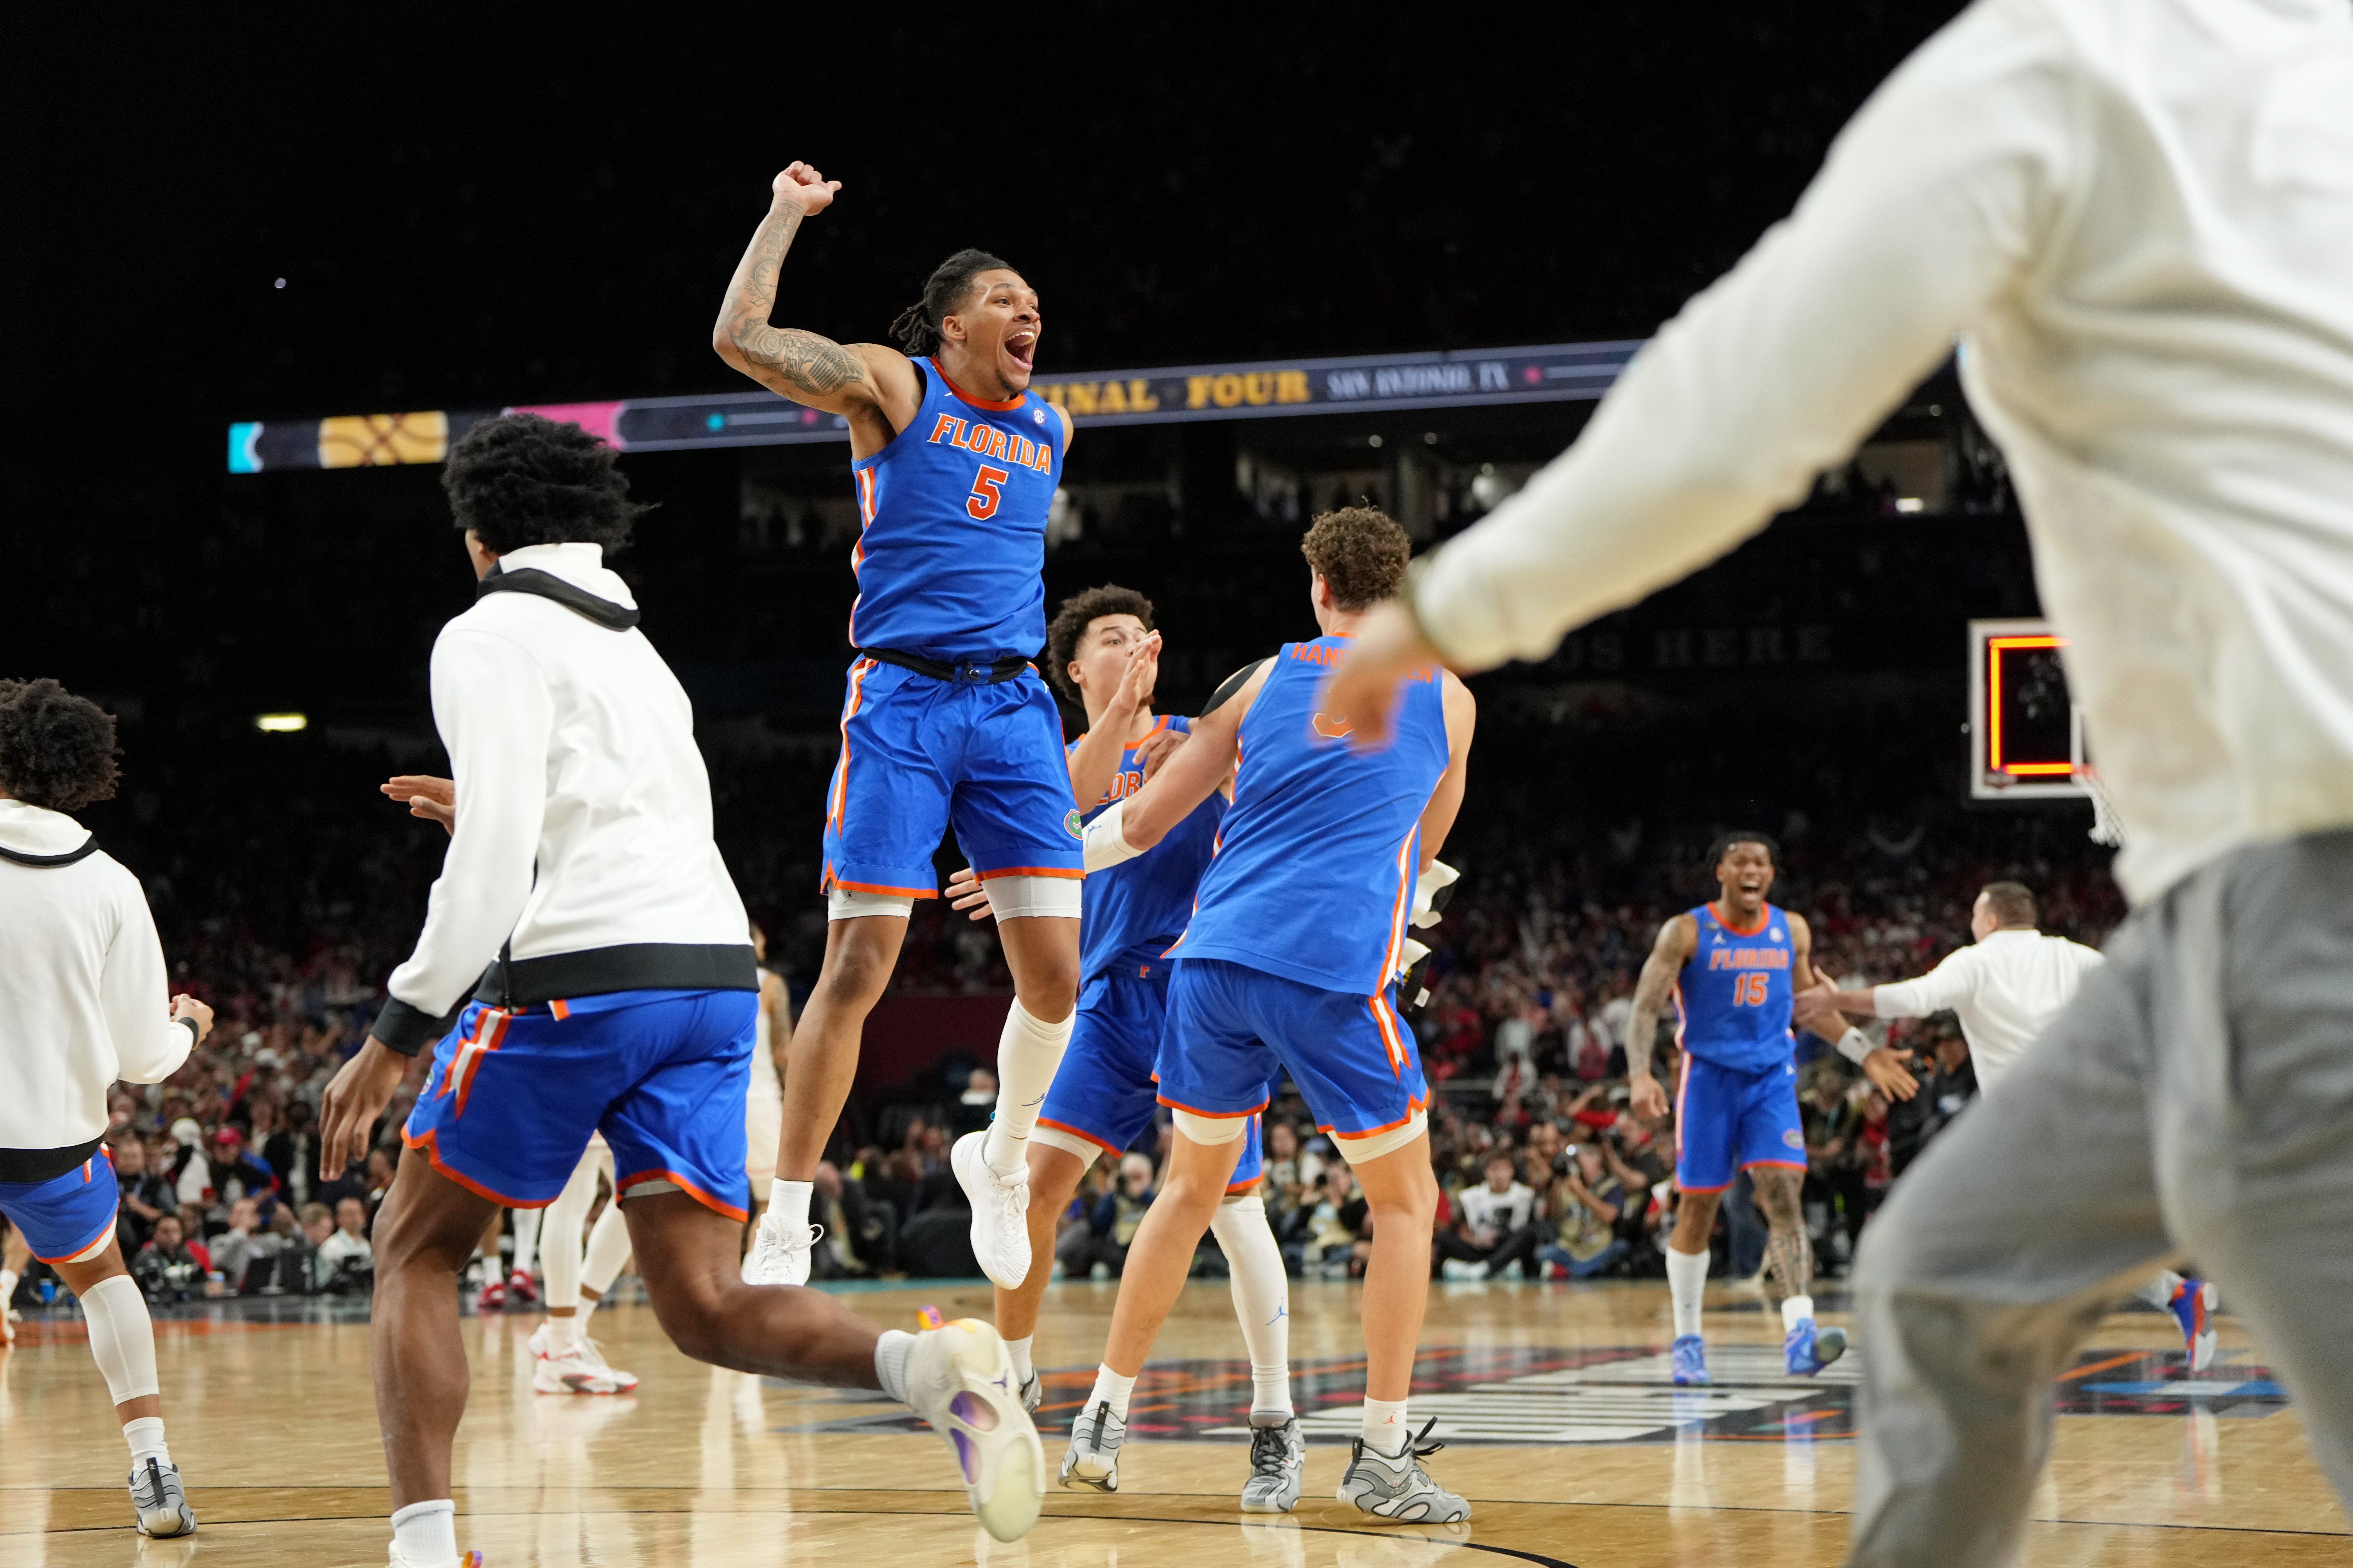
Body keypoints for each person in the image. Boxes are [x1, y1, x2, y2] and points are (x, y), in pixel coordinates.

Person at [1323, 4, 2353, 1555]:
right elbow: (1792, 1004)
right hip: (2211, 915)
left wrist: (1450, 612)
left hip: (2302, 871)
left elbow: (1734, 402)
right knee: (1945, 1274)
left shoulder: (2053, 63)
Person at [315, 413, 1044, 1567]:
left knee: (416, 1247)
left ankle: (424, 1546)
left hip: (581, 981)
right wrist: (521, 814)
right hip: (710, 982)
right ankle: (928, 1369)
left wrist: (394, 1034)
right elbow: (608, 818)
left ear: (475, 535)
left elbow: (495, 865)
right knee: (704, 1308)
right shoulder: (637, 652)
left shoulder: (489, 630)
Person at [1057, 509, 1478, 1523]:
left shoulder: (1257, 683)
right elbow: (1422, 854)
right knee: (1406, 1203)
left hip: (1208, 966)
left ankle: (1100, 1418)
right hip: (1328, 971)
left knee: (1187, 1190)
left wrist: (1031, 866)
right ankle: (1380, 1453)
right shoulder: (1450, 698)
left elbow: (1145, 820)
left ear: (1319, 591)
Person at [712, 162, 1083, 1294]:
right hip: (905, 701)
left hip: (1015, 703)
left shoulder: (1053, 428)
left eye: (1035, 301)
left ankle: (1001, 1163)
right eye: (1008, 300)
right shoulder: (894, 386)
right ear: (957, 320)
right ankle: (785, 1213)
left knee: (1058, 981)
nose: (1030, 313)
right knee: (861, 961)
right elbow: (740, 335)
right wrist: (784, 213)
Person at [941, 581, 1304, 1506]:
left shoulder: (1199, 735)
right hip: (1104, 1008)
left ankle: (1274, 1420)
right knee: (1025, 1186)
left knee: (1235, 1215)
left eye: (1145, 632)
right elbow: (1069, 807)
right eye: (1113, 637)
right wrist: (1113, 719)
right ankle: (1016, 1382)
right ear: (1074, 669)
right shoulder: (1055, 756)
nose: (1136, 644)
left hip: (1198, 996)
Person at [1800, 880, 2218, 1367]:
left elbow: (1912, 998)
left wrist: (1839, 1001)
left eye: (1974, 917)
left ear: (1990, 920)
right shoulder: (2075, 956)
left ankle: (1979, 1335)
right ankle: (2172, 1294)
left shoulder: (1975, 960)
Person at [0, 676, 209, 1538]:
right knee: (102, 1282)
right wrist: (189, 1028)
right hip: (51, 1138)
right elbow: (141, 1059)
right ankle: (152, 1465)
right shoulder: (113, 886)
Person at [1617, 834, 1911, 1384]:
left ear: (1770, 874)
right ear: (1721, 873)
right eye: (1740, 862)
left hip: (1770, 1081)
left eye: (1761, 863)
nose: (1752, 870)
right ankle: (1687, 1338)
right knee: (1698, 1210)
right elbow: (1644, 1007)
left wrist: (1864, 1053)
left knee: (1782, 1194)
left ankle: (1800, 1333)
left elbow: (1809, 1007)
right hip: (1706, 1081)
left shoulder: (1791, 929)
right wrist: (1639, 1072)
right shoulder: (1685, 930)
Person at [1435, 1151, 1536, 1279]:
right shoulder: (1471, 1197)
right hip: (1480, 1248)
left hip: (1510, 1249)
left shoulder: (1526, 1196)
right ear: (1486, 1172)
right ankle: (1495, 1270)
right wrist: (1476, 1241)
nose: (1499, 1175)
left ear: (1512, 1171)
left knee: (1529, 1235)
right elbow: (1460, 1229)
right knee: (1444, 1237)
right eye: (1494, 1170)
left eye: (1504, 1169)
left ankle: (1481, 1270)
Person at [1540, 1142, 1631, 1279]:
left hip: (1599, 1246)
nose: (1576, 1165)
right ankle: (1581, 1272)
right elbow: (1550, 1215)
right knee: (1543, 1254)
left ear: (1596, 1160)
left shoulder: (1610, 1185)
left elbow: (1609, 1216)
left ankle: (1569, 1273)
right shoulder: (1567, 1185)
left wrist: (1581, 1194)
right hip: (1571, 1247)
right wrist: (1555, 1182)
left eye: (1579, 1160)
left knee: (1622, 1248)